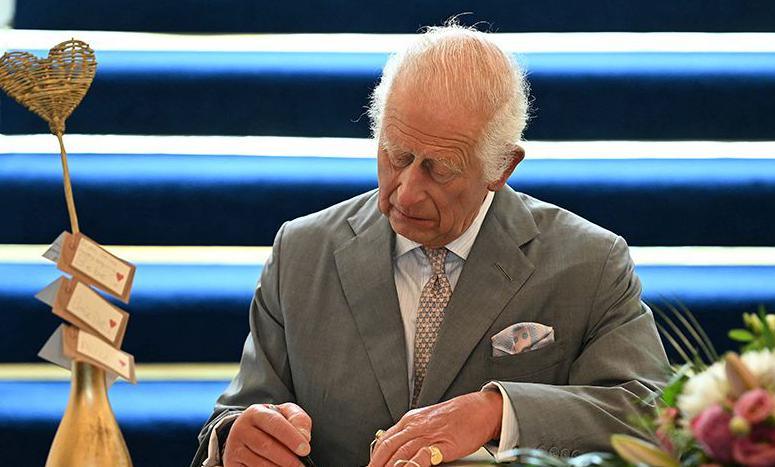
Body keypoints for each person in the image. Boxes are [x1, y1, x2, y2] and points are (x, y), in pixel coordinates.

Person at [192, 23, 668, 467]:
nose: (406, 191)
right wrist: (235, 438)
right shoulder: (303, 250)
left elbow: (652, 413)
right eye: (396, 155)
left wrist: (498, 411)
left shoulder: (590, 261)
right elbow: (238, 411)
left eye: (439, 169)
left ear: (502, 167)